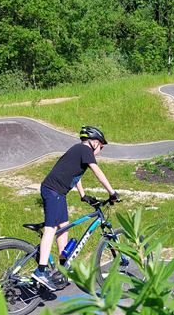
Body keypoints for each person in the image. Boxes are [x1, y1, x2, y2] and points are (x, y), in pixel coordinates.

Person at [32, 125, 119, 291]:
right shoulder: (85, 150)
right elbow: (98, 172)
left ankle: (62, 268)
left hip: (58, 193)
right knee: (51, 228)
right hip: (53, 191)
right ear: (94, 142)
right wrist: (112, 192)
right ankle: (41, 270)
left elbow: (75, 174)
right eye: (101, 146)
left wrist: (83, 195)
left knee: (64, 227)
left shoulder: (79, 151)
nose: (100, 149)